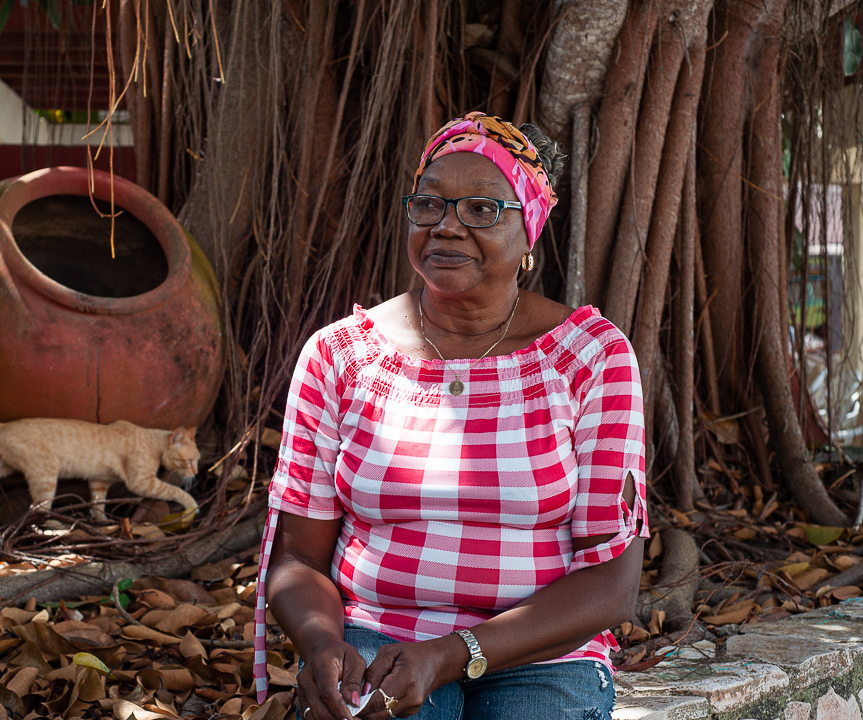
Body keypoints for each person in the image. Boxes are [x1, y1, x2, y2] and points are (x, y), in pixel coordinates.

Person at [251, 112, 648, 720]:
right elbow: (299, 560)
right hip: (375, 636)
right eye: (429, 205)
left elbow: (611, 584)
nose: (447, 227)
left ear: (529, 233)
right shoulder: (340, 356)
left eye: (482, 210)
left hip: (544, 655)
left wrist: (449, 653)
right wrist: (323, 644)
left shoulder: (590, 358)